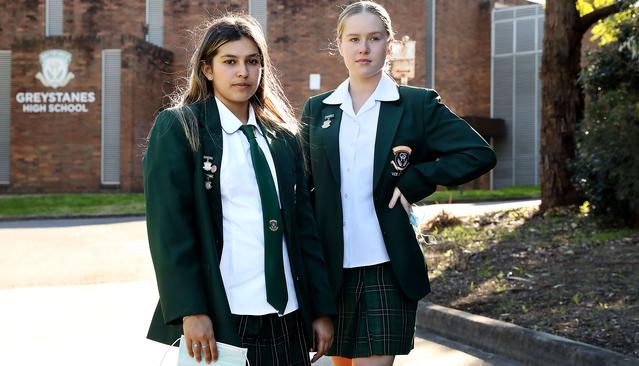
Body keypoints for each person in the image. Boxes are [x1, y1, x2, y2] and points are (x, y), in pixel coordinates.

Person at [300, 2, 497, 365]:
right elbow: (303, 188)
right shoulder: (318, 110)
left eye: (374, 38)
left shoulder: (416, 104)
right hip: (329, 271)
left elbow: (478, 154)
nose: (363, 48)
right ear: (340, 44)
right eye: (354, 39)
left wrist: (416, 180)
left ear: (389, 45)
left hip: (386, 268)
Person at [144, 14, 336, 366]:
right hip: (226, 315)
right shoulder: (180, 128)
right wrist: (191, 310)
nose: (243, 72)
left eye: (252, 62)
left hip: (289, 316)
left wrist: (320, 309)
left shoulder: (284, 137)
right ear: (207, 69)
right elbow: (169, 230)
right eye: (229, 62)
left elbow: (305, 230)